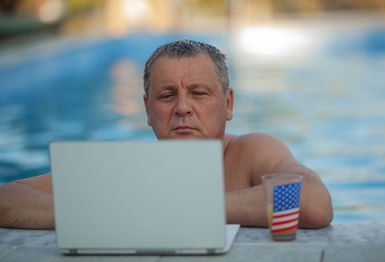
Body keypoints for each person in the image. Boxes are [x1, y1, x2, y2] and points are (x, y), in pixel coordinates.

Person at [0, 40, 333, 230]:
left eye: (199, 93)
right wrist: (96, 212)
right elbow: (6, 198)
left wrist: (174, 207)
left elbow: (313, 201)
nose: (183, 108)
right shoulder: (128, 170)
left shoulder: (251, 154)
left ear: (228, 104)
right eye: (166, 95)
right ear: (147, 110)